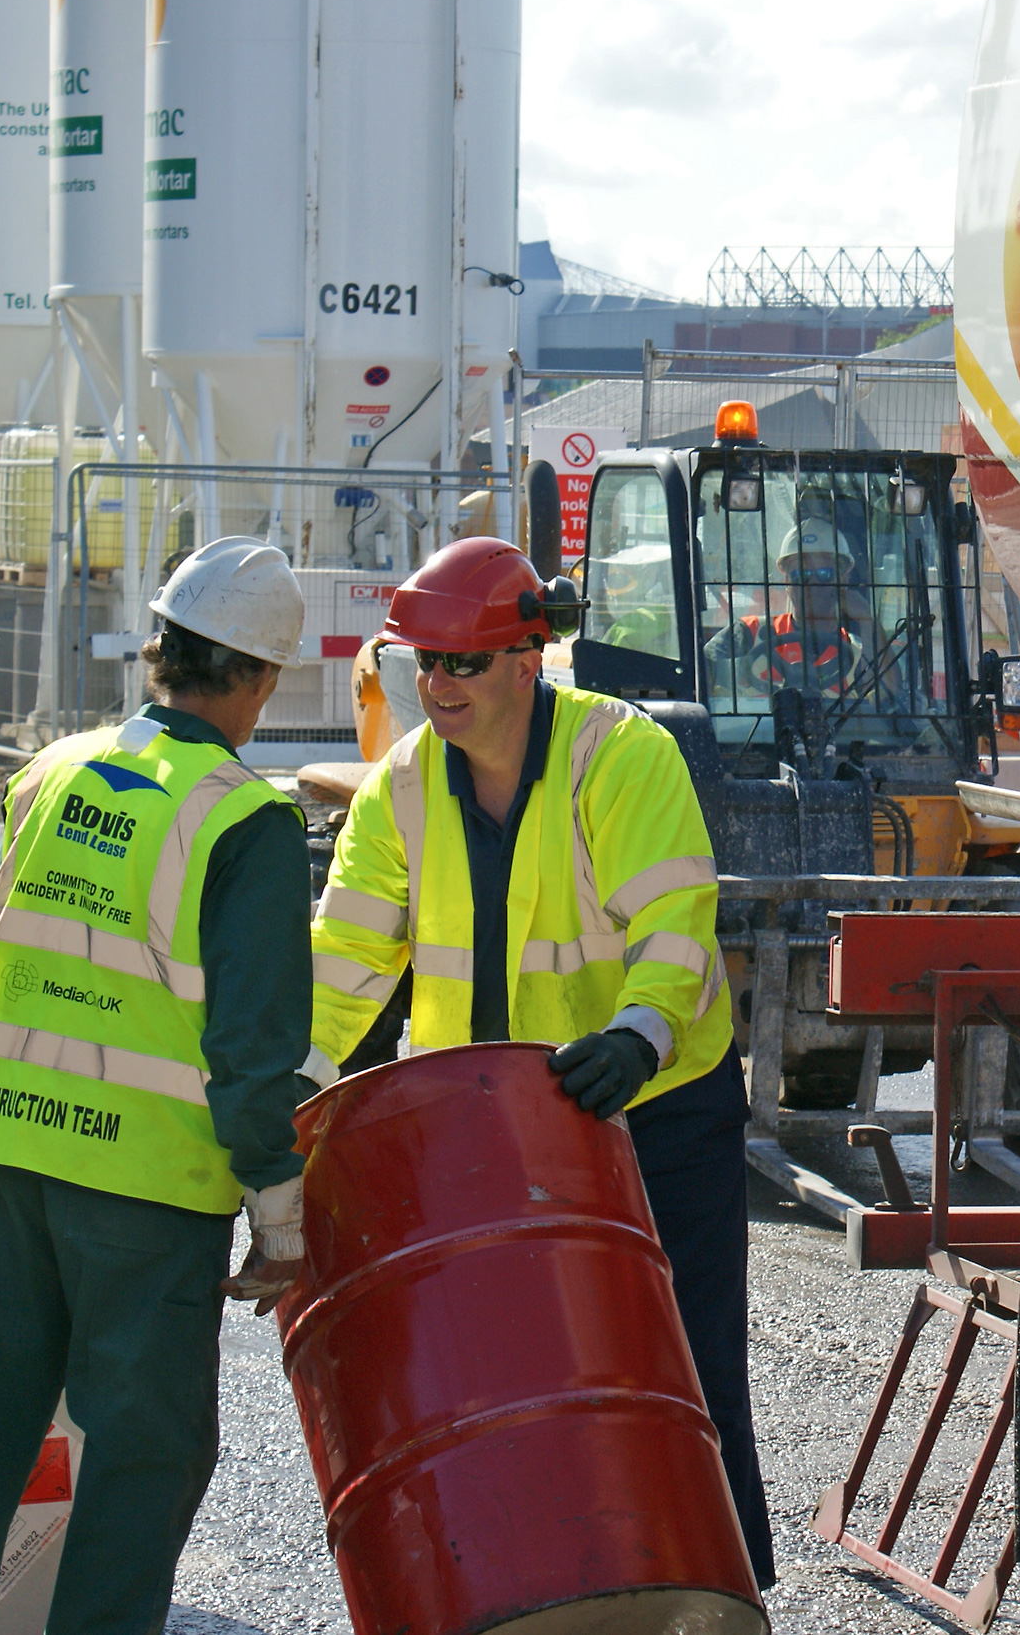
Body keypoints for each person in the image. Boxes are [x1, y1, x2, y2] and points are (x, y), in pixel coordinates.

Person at [306, 537, 778, 1588]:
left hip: (649, 1110)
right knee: (508, 1375)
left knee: (680, 1366)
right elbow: (342, 960)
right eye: (418, 661)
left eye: (461, 662)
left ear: (530, 658)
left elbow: (675, 927)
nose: (435, 685)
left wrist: (638, 1039)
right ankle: (547, 1588)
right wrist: (294, 1083)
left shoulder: (621, 757)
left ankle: (713, 1591)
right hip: (487, 1122)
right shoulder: (401, 790)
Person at [0, 537, 320, 1635]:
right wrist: (280, 1212)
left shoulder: (48, 771)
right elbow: (253, 1048)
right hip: (144, 1192)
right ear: (264, 679)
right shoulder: (248, 820)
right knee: (144, 1457)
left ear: (158, 652)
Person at [704, 513, 863, 698]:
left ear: (844, 578)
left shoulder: (857, 652)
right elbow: (702, 672)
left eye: (824, 573)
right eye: (800, 575)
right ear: (786, 580)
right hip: (754, 728)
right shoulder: (750, 633)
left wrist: (868, 620)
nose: (811, 583)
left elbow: (890, 698)